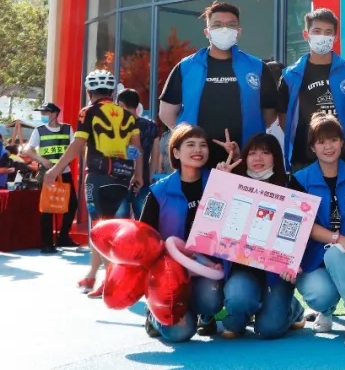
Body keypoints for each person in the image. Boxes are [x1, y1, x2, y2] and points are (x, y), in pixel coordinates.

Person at [45, 70, 142, 297]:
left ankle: (111, 283)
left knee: (100, 230)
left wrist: (54, 169)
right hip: (123, 176)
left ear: (89, 92)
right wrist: (139, 175)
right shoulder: (128, 115)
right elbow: (137, 148)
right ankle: (91, 274)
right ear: (111, 91)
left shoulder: (87, 112)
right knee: (108, 227)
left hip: (98, 177)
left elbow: (78, 144)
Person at [158, 2, 278, 168]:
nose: (224, 29)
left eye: (230, 25)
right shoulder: (186, 67)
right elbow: (166, 113)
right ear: (207, 32)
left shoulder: (257, 67)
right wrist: (190, 140)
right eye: (217, 25)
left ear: (239, 32)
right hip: (196, 164)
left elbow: (269, 114)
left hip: (244, 162)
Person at [291, 113, 345, 346]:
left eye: (333, 139)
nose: (328, 146)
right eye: (321, 141)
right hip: (314, 258)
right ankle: (326, 309)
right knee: (321, 294)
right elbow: (303, 225)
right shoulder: (300, 180)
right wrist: (336, 238)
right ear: (312, 147)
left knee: (335, 253)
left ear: (342, 142)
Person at [215, 133, 305, 340]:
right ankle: (237, 319)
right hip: (243, 268)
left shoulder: (291, 185)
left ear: (276, 157)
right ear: (244, 157)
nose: (258, 158)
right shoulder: (233, 180)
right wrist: (221, 184)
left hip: (277, 272)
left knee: (270, 329)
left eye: (265, 153)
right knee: (239, 300)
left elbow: (302, 230)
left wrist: (292, 262)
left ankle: (293, 308)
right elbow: (213, 219)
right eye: (252, 153)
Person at [140, 124, 225, 342]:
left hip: (207, 266)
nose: (198, 149)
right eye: (190, 145)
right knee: (179, 333)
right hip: (171, 270)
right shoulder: (158, 191)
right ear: (176, 152)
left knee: (211, 299)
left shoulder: (218, 182)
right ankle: (155, 313)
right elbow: (145, 240)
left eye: (203, 145)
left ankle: (205, 314)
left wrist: (227, 185)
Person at [278, 8, 345, 172]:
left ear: (335, 37)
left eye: (328, 32)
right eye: (317, 31)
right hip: (303, 160)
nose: (322, 36)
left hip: (344, 160)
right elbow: (282, 115)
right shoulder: (290, 75)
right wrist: (304, 141)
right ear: (306, 34)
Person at [24, 102, 77, 253]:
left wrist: (63, 163)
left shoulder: (67, 129)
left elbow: (73, 148)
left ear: (54, 113)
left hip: (64, 172)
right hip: (47, 173)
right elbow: (29, 150)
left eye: (45, 113)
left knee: (72, 204)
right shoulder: (39, 131)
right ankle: (47, 243)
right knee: (47, 207)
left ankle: (63, 237)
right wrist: (42, 160)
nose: (43, 116)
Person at [117, 89, 158, 217]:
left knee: (120, 225)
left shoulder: (117, 127)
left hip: (120, 180)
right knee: (143, 222)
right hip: (143, 179)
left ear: (121, 105)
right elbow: (155, 154)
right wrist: (149, 177)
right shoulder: (151, 126)